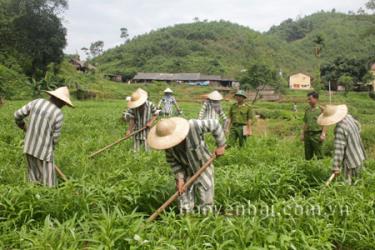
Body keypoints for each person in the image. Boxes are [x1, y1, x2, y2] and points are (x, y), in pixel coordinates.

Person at [147, 117, 226, 214]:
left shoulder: (193, 126)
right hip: (185, 171)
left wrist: (221, 145)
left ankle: (207, 220)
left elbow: (215, 123)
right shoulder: (167, 146)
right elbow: (173, 163)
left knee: (205, 199)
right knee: (183, 200)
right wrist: (180, 179)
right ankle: (187, 221)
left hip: (203, 166)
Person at [14, 86, 74, 187]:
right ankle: (49, 201)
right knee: (50, 184)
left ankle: (33, 196)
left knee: (33, 179)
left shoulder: (37, 102)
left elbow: (17, 115)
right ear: (59, 100)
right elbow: (55, 139)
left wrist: (23, 126)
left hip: (28, 147)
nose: (64, 105)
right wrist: (50, 153)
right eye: (64, 103)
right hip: (44, 152)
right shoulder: (58, 114)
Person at [317, 105, 366, 185]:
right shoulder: (349, 118)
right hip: (359, 156)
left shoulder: (340, 128)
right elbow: (358, 127)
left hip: (350, 162)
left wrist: (335, 167)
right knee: (358, 182)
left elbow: (338, 150)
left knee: (348, 186)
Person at [301, 91, 327, 160]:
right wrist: (302, 134)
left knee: (319, 154)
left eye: (310, 99)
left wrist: (323, 134)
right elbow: (305, 123)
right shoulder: (307, 110)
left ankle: (320, 169)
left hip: (317, 135)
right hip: (308, 135)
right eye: (308, 99)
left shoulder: (321, 110)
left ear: (316, 99)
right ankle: (309, 168)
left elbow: (325, 123)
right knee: (308, 155)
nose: (308, 101)